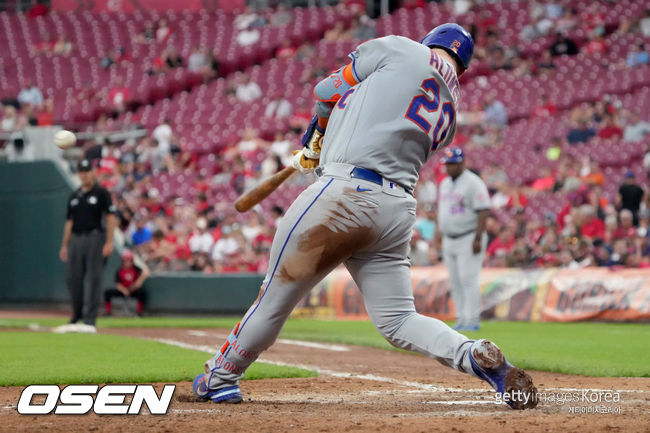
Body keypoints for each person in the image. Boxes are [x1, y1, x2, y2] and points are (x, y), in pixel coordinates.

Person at [192, 24, 537, 410]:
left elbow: (325, 91)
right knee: (399, 320)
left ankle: (221, 377)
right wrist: (324, 142)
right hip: (395, 210)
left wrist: (317, 135)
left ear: (430, 42)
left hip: (344, 195)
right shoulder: (451, 110)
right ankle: (470, 353)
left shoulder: (400, 48)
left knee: (274, 298)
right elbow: (379, 118)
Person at [57, 159, 117, 333]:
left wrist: (110, 241)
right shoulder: (74, 196)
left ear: (92, 172)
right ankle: (76, 315)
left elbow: (111, 218)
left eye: (86, 171)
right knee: (73, 278)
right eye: (81, 171)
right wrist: (64, 245)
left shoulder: (101, 193)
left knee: (93, 278)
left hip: (95, 237)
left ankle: (90, 318)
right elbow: (69, 222)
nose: (84, 174)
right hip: (76, 239)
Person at [435, 147, 490, 331]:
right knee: (455, 279)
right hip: (449, 238)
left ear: (462, 163)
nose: (449, 167)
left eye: (453, 163)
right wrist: (438, 234)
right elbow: (442, 211)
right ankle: (461, 317)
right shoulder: (444, 183)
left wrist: (478, 238)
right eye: (447, 164)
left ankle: (472, 319)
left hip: (468, 236)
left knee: (468, 278)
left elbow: (483, 210)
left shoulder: (473, 182)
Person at [104, 250, 149, 317]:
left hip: (133, 289)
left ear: (132, 261)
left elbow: (146, 272)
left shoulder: (135, 269)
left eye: (128, 260)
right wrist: (124, 290)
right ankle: (108, 312)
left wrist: (138, 282)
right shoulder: (120, 270)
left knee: (142, 292)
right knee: (107, 292)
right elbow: (118, 284)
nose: (127, 262)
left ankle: (139, 313)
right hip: (123, 290)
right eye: (125, 260)